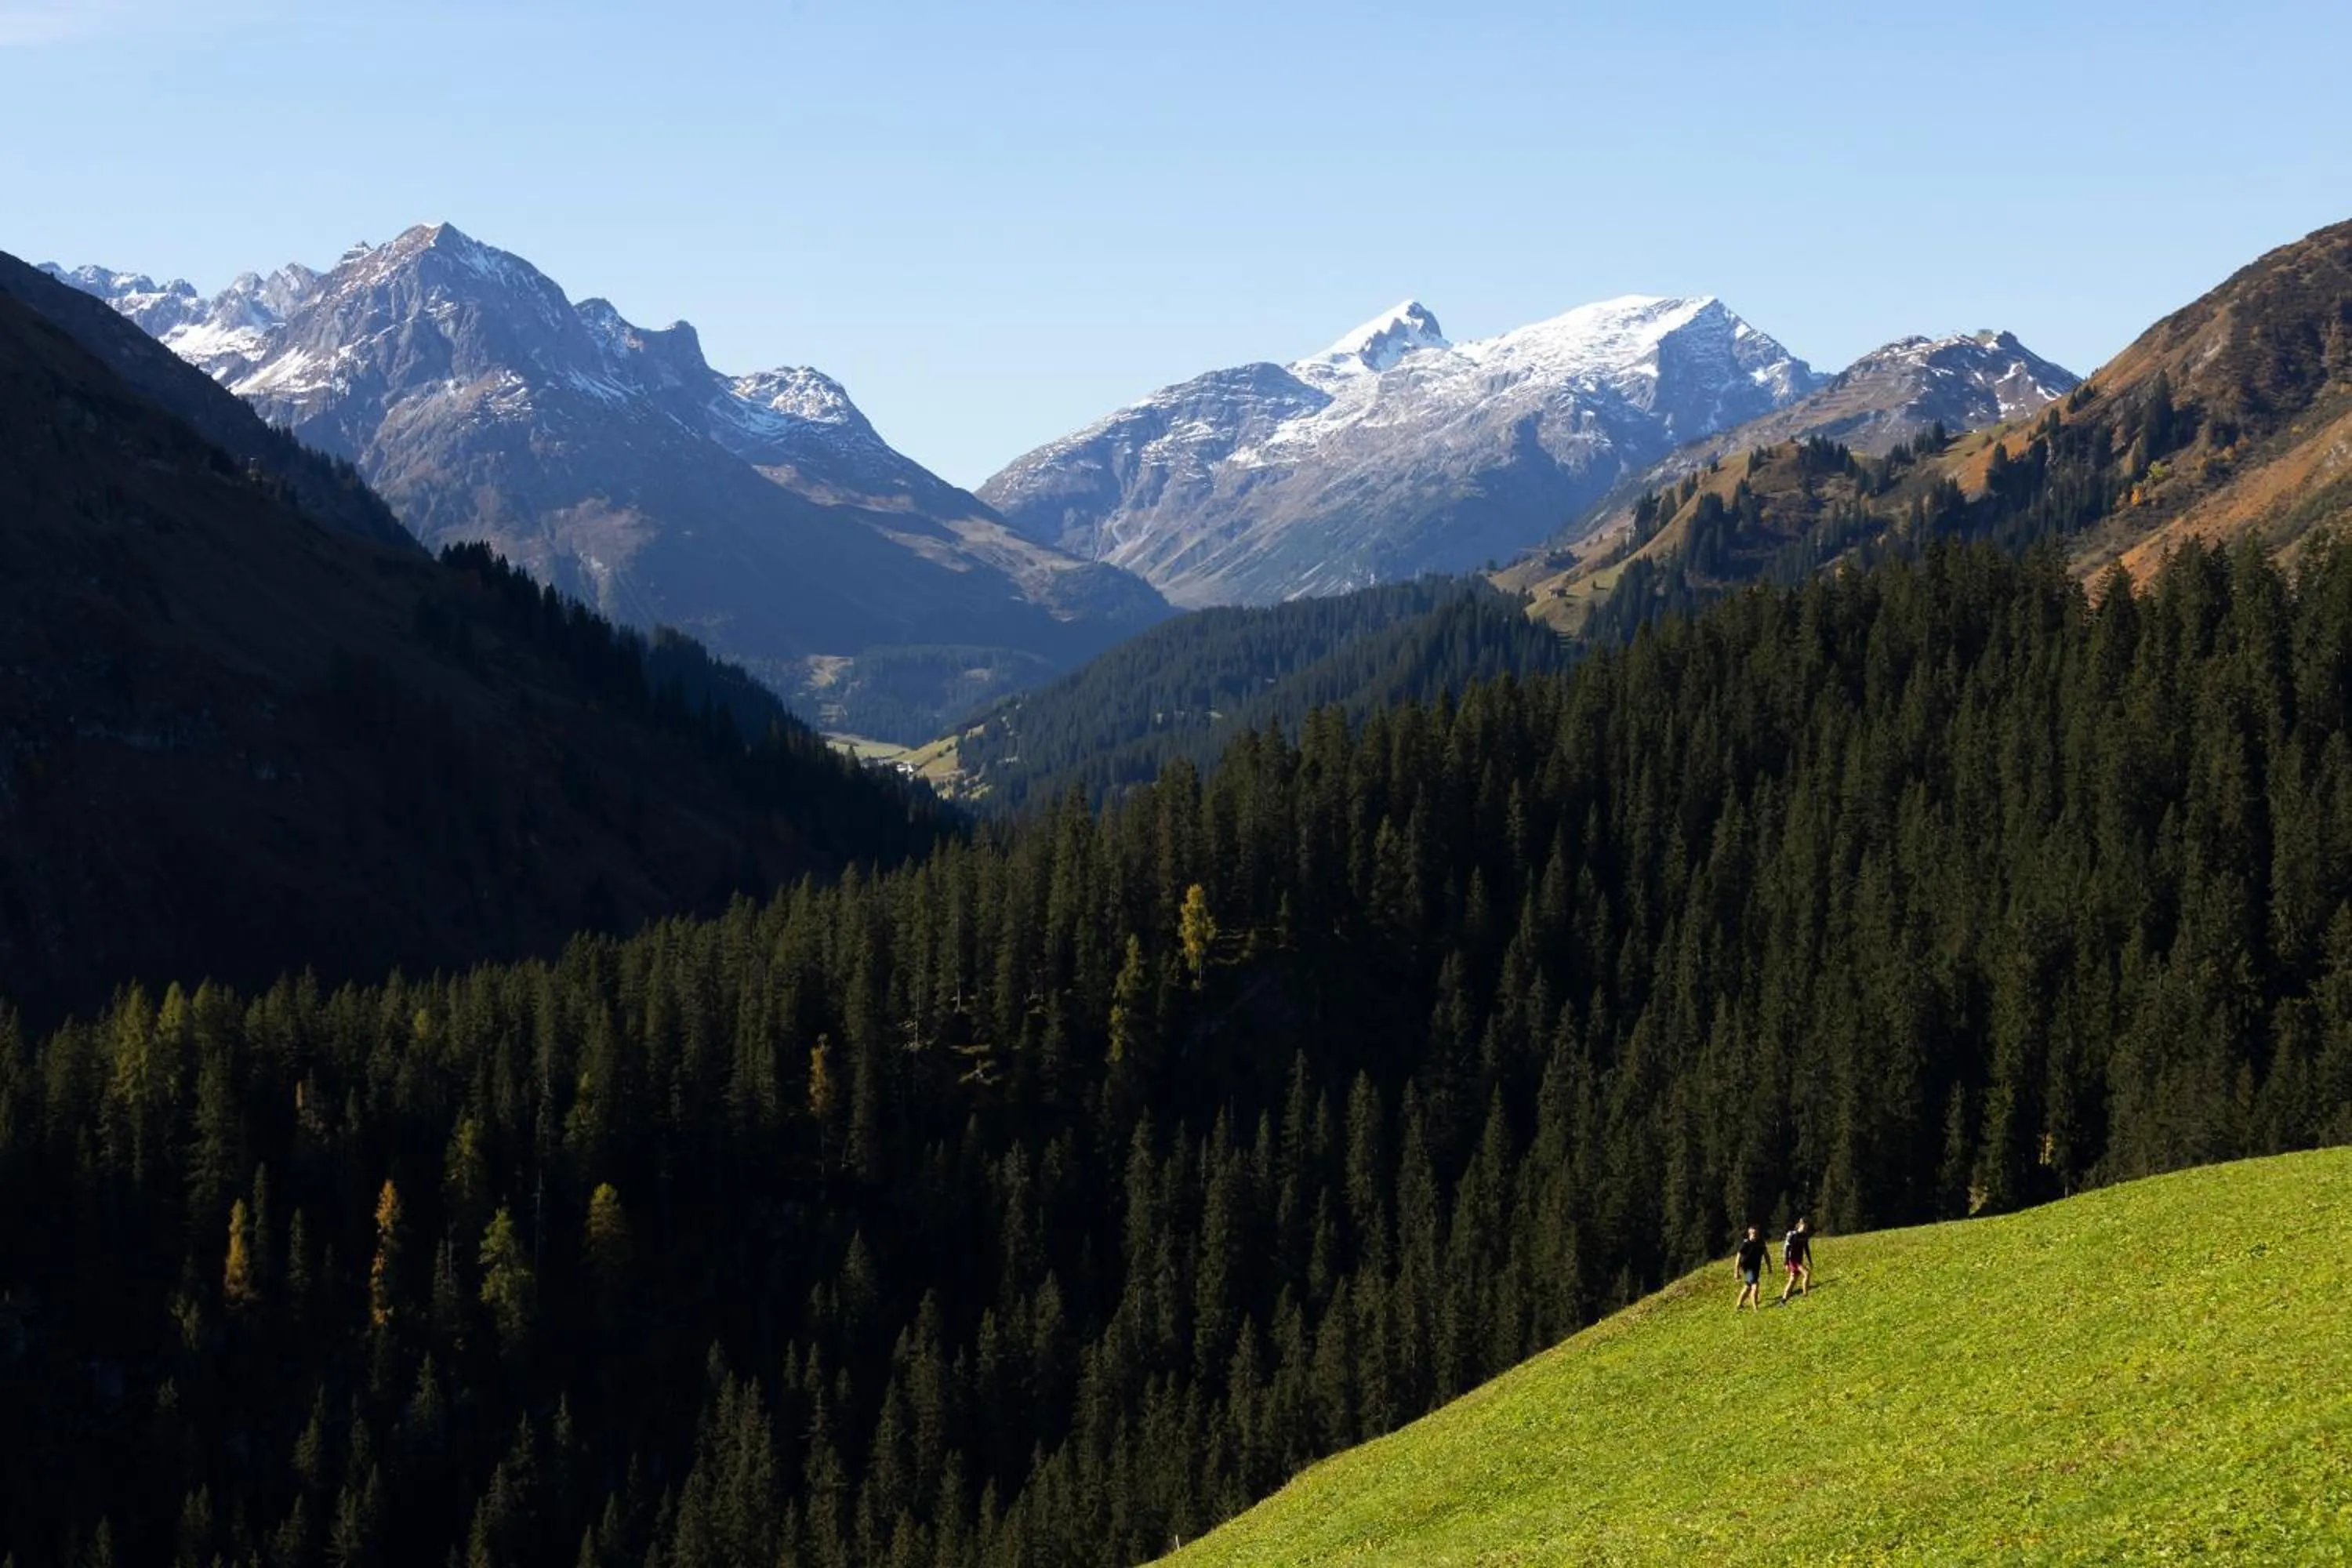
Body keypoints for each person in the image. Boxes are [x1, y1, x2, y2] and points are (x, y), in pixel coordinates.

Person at [1733, 1225, 1769, 1312]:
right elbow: (1738, 1258)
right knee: (1755, 1286)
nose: (1755, 1235)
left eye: (1756, 1234)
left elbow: (1766, 1255)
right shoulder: (1746, 1245)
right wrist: (1736, 1272)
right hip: (1748, 1269)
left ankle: (1739, 1305)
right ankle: (1755, 1308)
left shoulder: (1761, 1243)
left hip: (1756, 1268)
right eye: (1753, 1234)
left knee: (1747, 1287)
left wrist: (1769, 1266)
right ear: (1749, 1234)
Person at [1780, 1217, 1813, 1303]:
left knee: (1792, 1281)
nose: (1805, 1229)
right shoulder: (1792, 1234)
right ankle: (1805, 1295)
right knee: (1807, 1274)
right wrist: (1786, 1263)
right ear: (1800, 1225)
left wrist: (1810, 1261)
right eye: (1804, 1227)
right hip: (1793, 1260)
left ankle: (1783, 1300)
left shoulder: (1805, 1235)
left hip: (1799, 1259)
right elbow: (1786, 1249)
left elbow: (1806, 1248)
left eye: (1807, 1227)